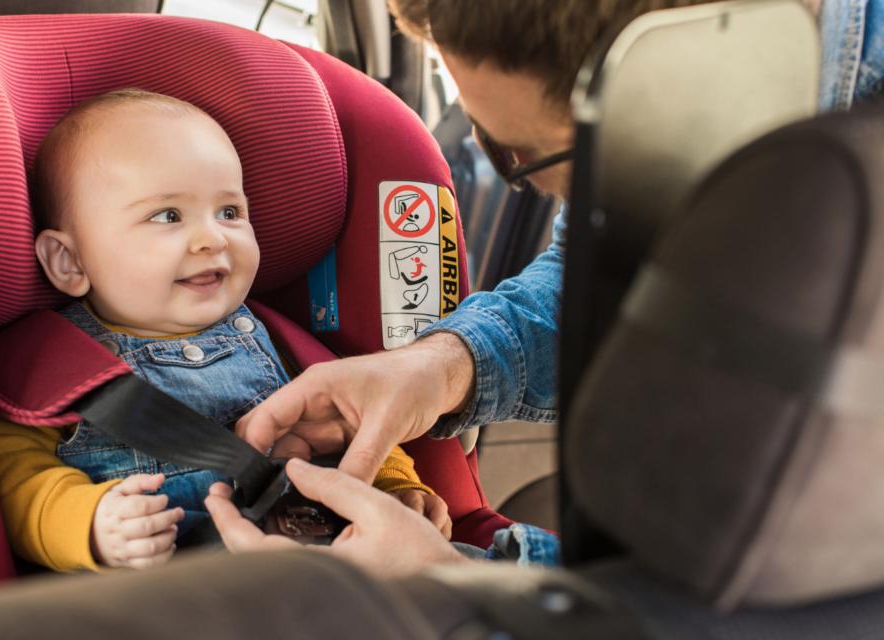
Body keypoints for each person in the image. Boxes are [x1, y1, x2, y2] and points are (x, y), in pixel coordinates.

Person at [206, 0, 884, 574]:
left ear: (678, 79)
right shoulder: (680, 116)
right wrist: (437, 369)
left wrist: (456, 587)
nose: (520, 180)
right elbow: (600, 273)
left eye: (520, 154)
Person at [0, 89, 450, 572]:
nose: (212, 238)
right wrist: (91, 524)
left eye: (229, 212)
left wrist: (395, 486)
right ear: (70, 261)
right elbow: (11, 476)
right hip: (190, 593)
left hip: (337, 562)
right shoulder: (52, 368)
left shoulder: (276, 340)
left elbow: (353, 422)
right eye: (168, 216)